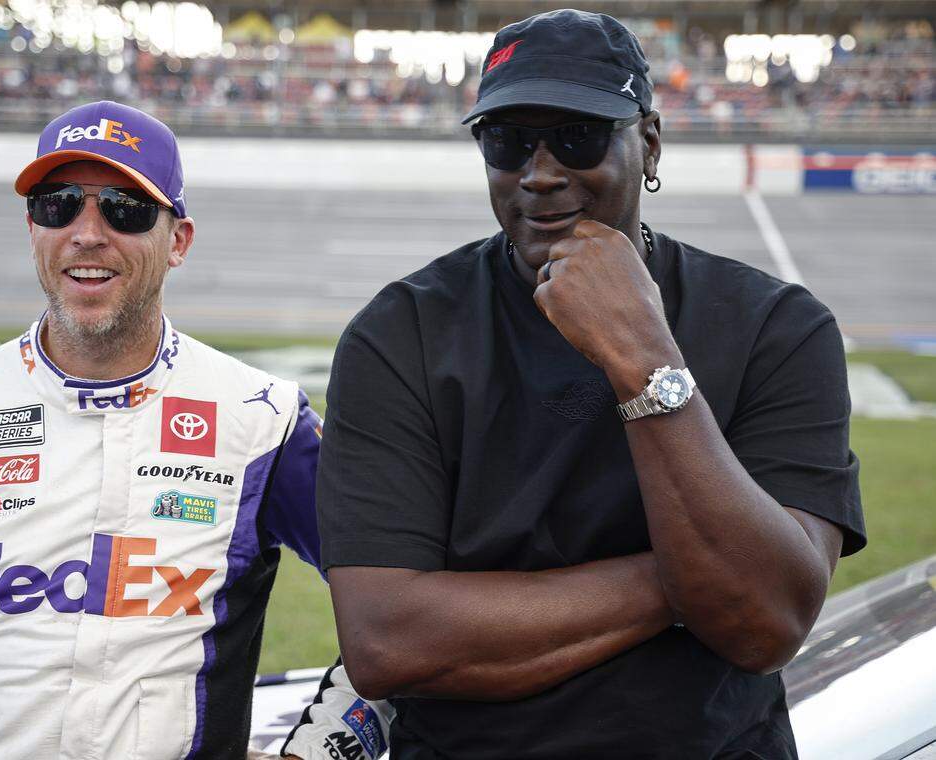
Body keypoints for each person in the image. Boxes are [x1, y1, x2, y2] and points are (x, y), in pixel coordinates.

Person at [318, 10, 865, 759]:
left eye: (577, 136)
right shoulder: (400, 334)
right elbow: (387, 642)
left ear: (648, 142)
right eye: (508, 142)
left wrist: (643, 356)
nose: (540, 175)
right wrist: (690, 582)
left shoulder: (777, 327)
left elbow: (767, 622)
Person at [0, 100, 392, 760]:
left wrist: (321, 750)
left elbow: (405, 610)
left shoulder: (262, 419)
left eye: (125, 209)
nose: (85, 233)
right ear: (32, 227)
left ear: (177, 240)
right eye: (58, 204)